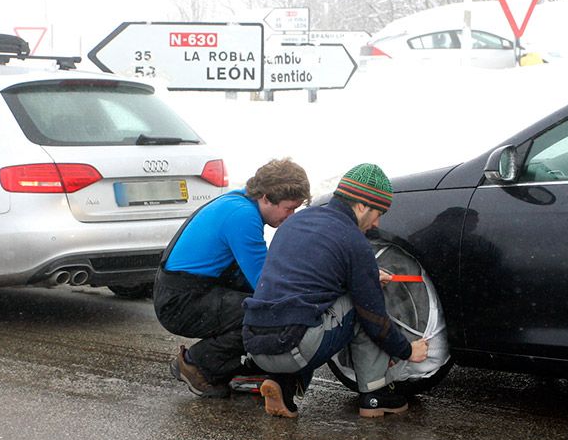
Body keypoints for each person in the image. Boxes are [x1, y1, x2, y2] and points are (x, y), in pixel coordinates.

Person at [242, 163, 430, 419]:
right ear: (361, 205)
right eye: (378, 212)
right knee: (361, 304)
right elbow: (374, 318)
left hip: (255, 344)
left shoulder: (296, 221)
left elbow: (309, 278)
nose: (377, 223)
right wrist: (407, 350)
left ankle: (283, 384)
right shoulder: (354, 240)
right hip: (294, 347)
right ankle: (375, 395)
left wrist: (364, 274)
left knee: (305, 306)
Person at [155, 158, 310, 397]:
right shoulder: (243, 217)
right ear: (267, 198)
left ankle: (244, 368)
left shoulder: (241, 201)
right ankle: (198, 365)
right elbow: (264, 283)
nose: (291, 216)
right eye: (289, 209)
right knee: (264, 315)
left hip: (189, 289)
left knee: (266, 307)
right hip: (180, 301)